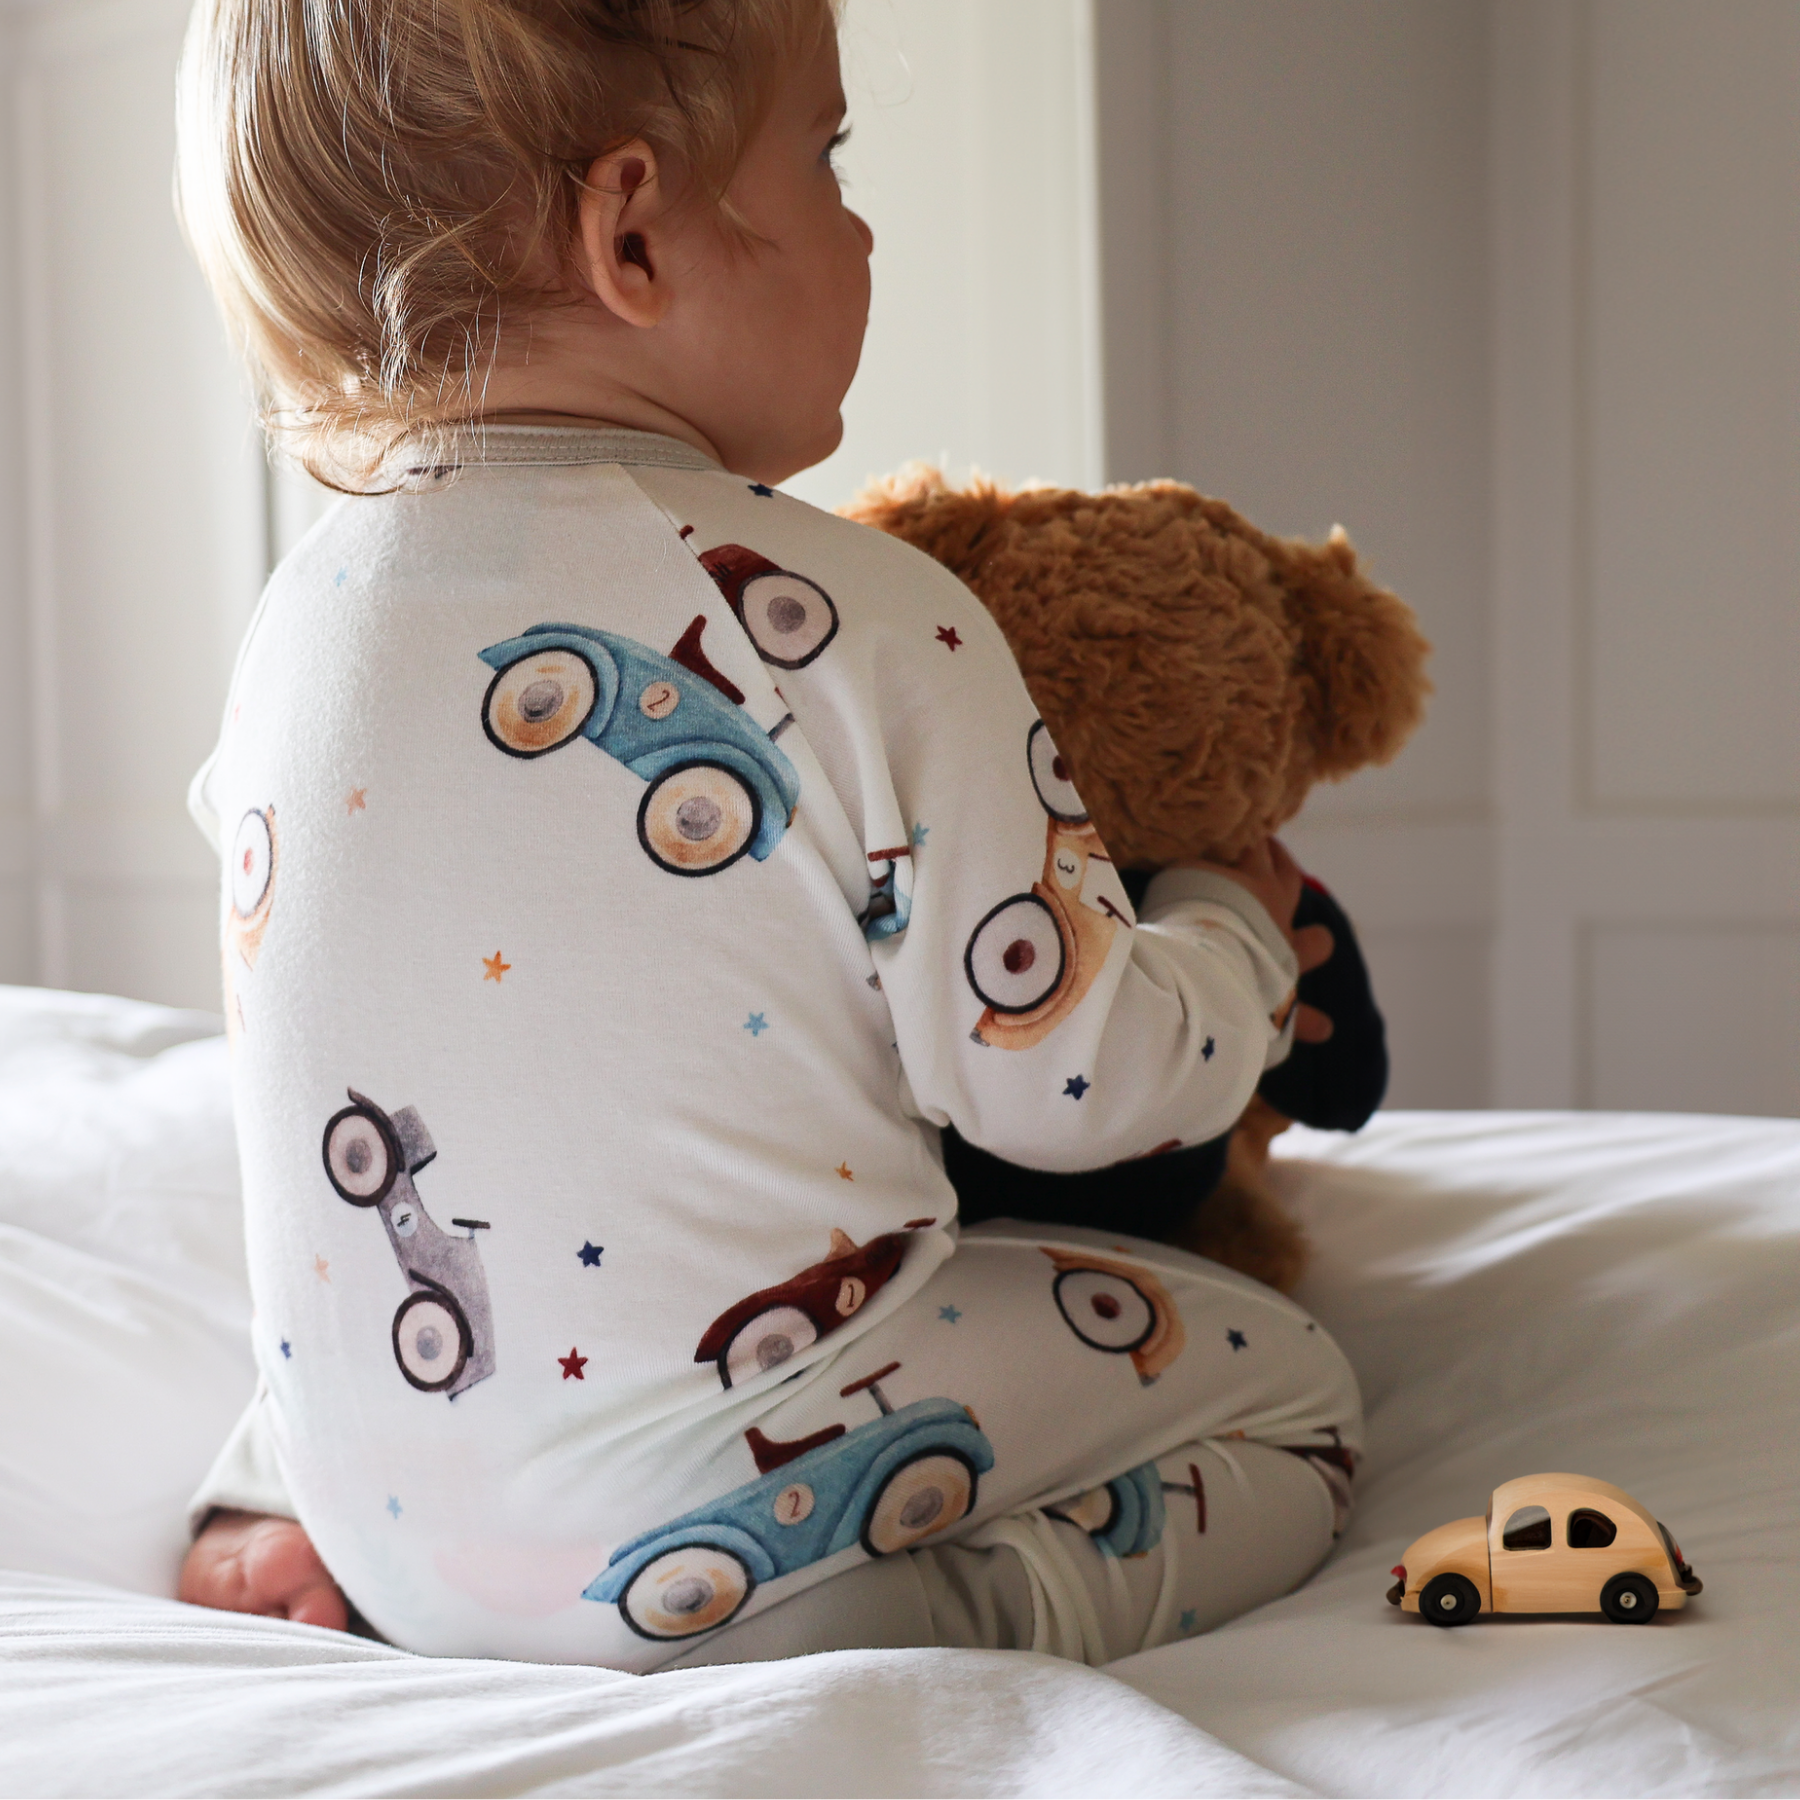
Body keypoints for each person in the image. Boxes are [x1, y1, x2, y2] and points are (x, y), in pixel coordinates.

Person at [173, 0, 1361, 1670]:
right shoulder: (867, 615)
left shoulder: (291, 628)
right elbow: (1070, 1085)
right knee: (1294, 1392)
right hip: (715, 1517)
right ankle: (927, 1623)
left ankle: (282, 1501)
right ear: (633, 234)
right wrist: (1229, 931)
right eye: (829, 156)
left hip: (404, 1539)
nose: (860, 229)